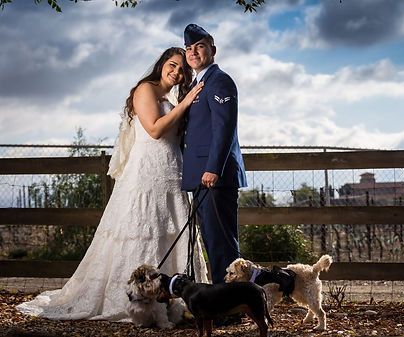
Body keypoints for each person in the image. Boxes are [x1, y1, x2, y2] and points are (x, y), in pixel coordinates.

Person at [16, 47, 208, 321]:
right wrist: (186, 103)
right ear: (162, 63)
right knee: (141, 226)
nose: (176, 72)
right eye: (173, 65)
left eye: (181, 69)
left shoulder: (171, 96)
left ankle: (175, 296)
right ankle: (136, 299)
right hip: (146, 171)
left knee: (172, 227)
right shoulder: (146, 90)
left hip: (171, 170)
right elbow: (154, 129)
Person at [181, 24, 247, 285]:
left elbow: (224, 128)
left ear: (212, 49)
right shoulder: (198, 83)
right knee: (213, 241)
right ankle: (226, 303)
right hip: (202, 175)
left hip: (214, 176)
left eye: (199, 46)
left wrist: (213, 168)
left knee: (222, 245)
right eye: (189, 48)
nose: (193, 52)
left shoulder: (220, 81)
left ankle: (231, 305)